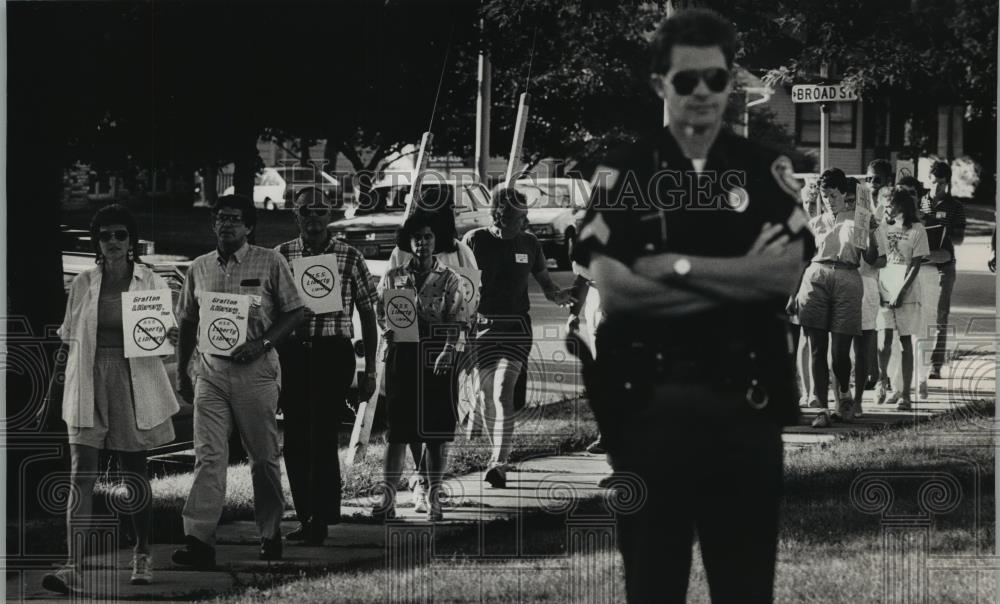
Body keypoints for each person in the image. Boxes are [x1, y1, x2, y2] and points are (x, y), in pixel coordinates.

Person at [573, 9, 812, 602]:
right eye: (686, 80)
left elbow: (783, 277)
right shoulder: (621, 173)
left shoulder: (763, 171)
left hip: (746, 408)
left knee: (745, 586)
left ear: (731, 82)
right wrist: (742, 275)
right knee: (653, 584)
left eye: (717, 78)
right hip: (649, 410)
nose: (703, 93)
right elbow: (618, 289)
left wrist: (676, 267)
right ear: (660, 83)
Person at [42, 205, 180, 594]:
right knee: (80, 472)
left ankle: (142, 552)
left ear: (131, 240)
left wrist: (171, 338)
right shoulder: (84, 283)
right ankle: (73, 566)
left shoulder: (151, 281)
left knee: (133, 469)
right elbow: (68, 338)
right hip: (86, 379)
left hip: (132, 377)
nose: (114, 242)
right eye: (105, 236)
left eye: (121, 235)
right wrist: (55, 384)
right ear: (96, 242)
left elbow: (165, 338)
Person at [172, 195, 304, 567]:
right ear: (213, 224)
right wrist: (184, 370)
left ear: (249, 226)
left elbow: (295, 312)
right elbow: (186, 320)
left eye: (234, 219)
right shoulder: (199, 267)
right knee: (209, 456)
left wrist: (262, 344)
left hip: (256, 371)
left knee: (262, 457)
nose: (226, 224)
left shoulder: (270, 261)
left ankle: (270, 533)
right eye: (220, 218)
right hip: (210, 373)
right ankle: (199, 540)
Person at [274, 189, 379, 545]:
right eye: (306, 212)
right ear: (296, 215)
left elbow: (368, 311)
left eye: (320, 212)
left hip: (333, 352)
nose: (314, 219)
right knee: (296, 439)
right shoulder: (281, 255)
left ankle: (322, 516)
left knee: (322, 435)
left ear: (330, 214)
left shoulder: (349, 255)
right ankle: (306, 515)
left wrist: (371, 370)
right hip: (292, 354)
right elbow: (267, 307)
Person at [463, 188, 574, 488]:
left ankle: (499, 462)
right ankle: (495, 455)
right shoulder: (475, 240)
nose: (525, 221)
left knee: (502, 392)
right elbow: (461, 284)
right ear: (500, 214)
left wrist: (563, 296)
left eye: (525, 215)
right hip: (482, 328)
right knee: (484, 394)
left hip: (516, 329)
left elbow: (547, 284)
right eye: (518, 216)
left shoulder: (531, 243)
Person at [386, 200, 480, 513]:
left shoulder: (450, 277)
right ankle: (413, 486)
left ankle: (435, 491)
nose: (423, 243)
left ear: (435, 240)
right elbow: (384, 314)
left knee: (437, 429)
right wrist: (388, 330)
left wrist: (448, 352)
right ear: (408, 242)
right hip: (404, 352)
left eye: (428, 237)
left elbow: (459, 320)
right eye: (417, 238)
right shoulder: (395, 276)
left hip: (437, 353)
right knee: (404, 427)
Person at [793, 168, 882, 427]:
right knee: (817, 348)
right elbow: (800, 261)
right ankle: (821, 409)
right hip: (815, 277)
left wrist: (872, 233)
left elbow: (871, 259)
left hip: (847, 278)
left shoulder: (858, 221)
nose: (829, 200)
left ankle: (843, 392)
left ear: (844, 193)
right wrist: (792, 295)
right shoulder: (815, 223)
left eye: (833, 195)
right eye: (824, 195)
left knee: (840, 353)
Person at [876, 187, 930, 410]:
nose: (888, 208)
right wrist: (881, 291)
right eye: (885, 204)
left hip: (906, 292)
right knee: (884, 341)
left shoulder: (917, 229)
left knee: (905, 340)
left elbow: (915, 265)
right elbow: (878, 260)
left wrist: (901, 292)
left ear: (903, 205)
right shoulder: (881, 228)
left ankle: (905, 394)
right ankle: (882, 380)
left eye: (892, 204)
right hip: (884, 288)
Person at [922, 161, 966, 379]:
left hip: (944, 264)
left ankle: (935, 364)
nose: (936, 187)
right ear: (928, 180)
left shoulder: (956, 207)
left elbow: (959, 239)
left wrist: (944, 232)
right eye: (933, 182)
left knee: (940, 315)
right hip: (922, 263)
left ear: (947, 183)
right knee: (920, 313)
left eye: (941, 183)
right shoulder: (920, 202)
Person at [856, 159, 895, 402]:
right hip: (868, 273)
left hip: (889, 273)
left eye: (877, 179)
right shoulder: (862, 206)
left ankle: (885, 376)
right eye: (869, 178)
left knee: (885, 332)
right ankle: (872, 373)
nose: (872, 183)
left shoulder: (890, 205)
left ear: (887, 181)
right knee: (867, 327)